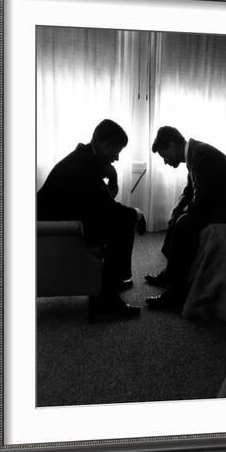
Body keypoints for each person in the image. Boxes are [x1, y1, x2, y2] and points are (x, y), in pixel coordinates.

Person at [37, 119, 146, 317]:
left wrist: (112, 181)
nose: (117, 158)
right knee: (123, 223)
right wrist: (137, 214)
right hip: (57, 230)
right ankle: (107, 302)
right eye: (117, 151)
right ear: (105, 145)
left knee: (120, 219)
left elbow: (100, 203)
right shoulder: (84, 167)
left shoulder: (85, 159)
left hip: (66, 220)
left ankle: (112, 283)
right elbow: (108, 209)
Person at [145, 126, 226, 310]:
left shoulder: (200, 154)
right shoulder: (194, 154)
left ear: (172, 146)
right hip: (221, 201)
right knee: (178, 217)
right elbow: (190, 190)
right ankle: (170, 275)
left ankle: (176, 295)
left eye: (164, 156)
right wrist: (177, 210)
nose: (165, 162)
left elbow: (203, 195)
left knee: (185, 224)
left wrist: (184, 215)